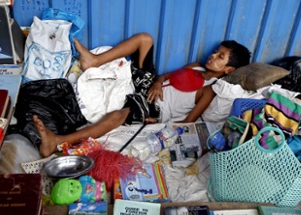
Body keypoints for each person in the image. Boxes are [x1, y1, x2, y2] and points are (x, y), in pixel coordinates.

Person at [33, 32, 251, 157]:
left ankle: (58, 140)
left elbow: (188, 122)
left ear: (228, 70)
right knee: (145, 39)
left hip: (156, 106)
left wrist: (157, 121)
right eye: (216, 51)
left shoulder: (209, 90)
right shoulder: (196, 66)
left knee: (119, 116)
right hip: (150, 86)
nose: (213, 56)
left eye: (220, 56)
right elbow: (166, 76)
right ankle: (94, 60)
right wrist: (157, 81)